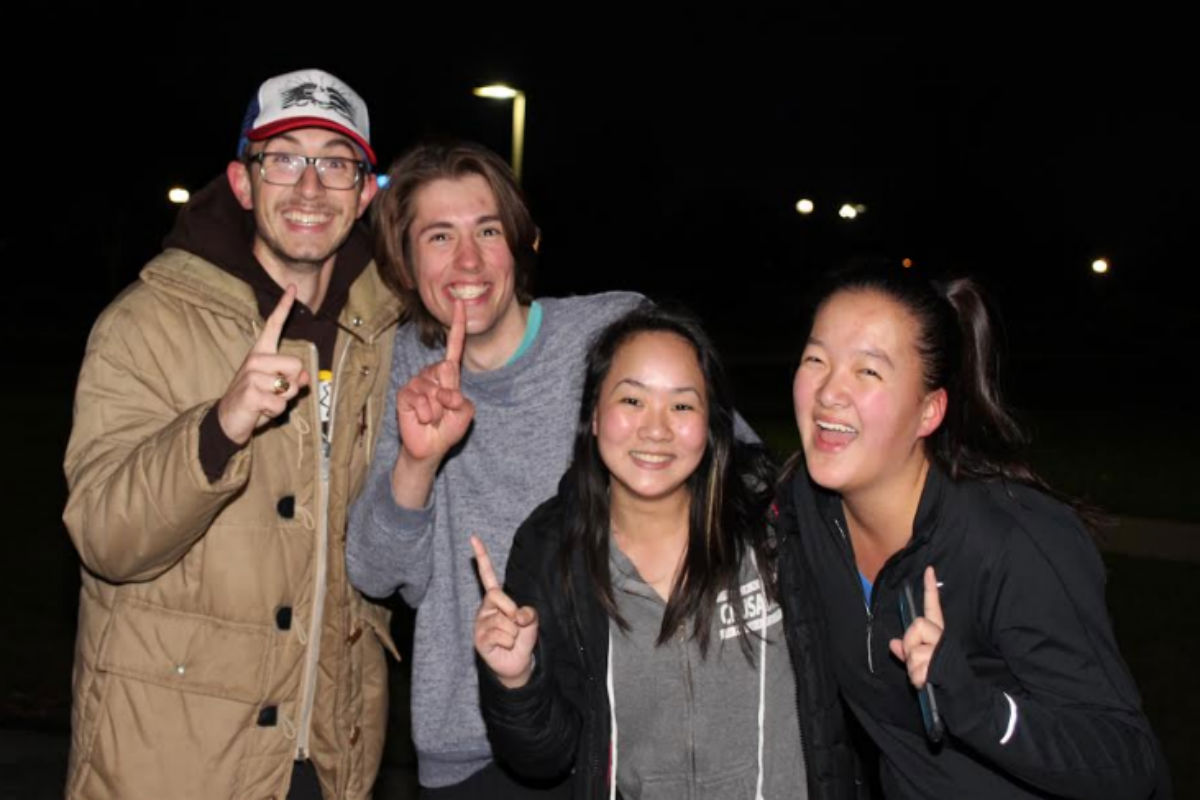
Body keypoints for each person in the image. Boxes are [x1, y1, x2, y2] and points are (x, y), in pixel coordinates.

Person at [62, 68, 401, 800]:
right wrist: (218, 430)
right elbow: (103, 538)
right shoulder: (145, 323)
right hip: (173, 759)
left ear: (366, 192)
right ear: (243, 183)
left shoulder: (388, 335)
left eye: (335, 163)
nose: (310, 188)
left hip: (329, 761)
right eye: (284, 158)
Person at [776, 264, 1171, 798]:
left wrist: (973, 704)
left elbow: (1128, 760)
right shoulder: (808, 507)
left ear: (929, 411)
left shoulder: (1012, 542)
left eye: (868, 371)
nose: (828, 392)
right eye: (815, 359)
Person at [345, 140, 642, 796]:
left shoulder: (612, 336)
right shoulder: (401, 367)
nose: (469, 260)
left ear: (521, 241)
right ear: (405, 258)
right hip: (476, 749)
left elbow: (742, 479)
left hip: (630, 736)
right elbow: (376, 572)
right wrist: (417, 464)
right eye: (439, 236)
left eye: (487, 230)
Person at [473, 303, 863, 800]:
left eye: (681, 406)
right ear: (594, 415)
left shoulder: (779, 523)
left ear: (713, 424)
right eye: (632, 401)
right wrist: (516, 679)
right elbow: (547, 758)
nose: (655, 429)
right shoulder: (552, 548)